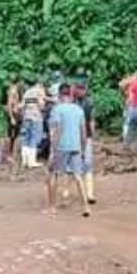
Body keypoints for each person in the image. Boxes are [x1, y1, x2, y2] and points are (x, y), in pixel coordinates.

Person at [44, 87, 90, 217]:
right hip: (76, 146)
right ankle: (85, 206)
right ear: (71, 96)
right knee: (78, 176)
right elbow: (83, 131)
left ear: (60, 96)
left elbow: (58, 129)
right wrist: (83, 148)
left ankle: (52, 207)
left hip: (62, 146)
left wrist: (53, 148)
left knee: (54, 174)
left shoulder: (57, 110)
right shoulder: (79, 110)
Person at [19, 80, 46, 168]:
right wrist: (44, 108)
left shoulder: (27, 92)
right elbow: (41, 106)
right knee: (34, 139)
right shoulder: (39, 91)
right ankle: (32, 162)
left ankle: (24, 161)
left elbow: (22, 105)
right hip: (36, 118)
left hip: (26, 117)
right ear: (39, 84)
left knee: (25, 139)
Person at [4, 78, 22, 160]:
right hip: (13, 114)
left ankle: (12, 154)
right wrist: (11, 117)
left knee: (15, 136)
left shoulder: (15, 90)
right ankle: (9, 154)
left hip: (16, 114)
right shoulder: (12, 91)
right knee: (11, 135)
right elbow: (9, 105)